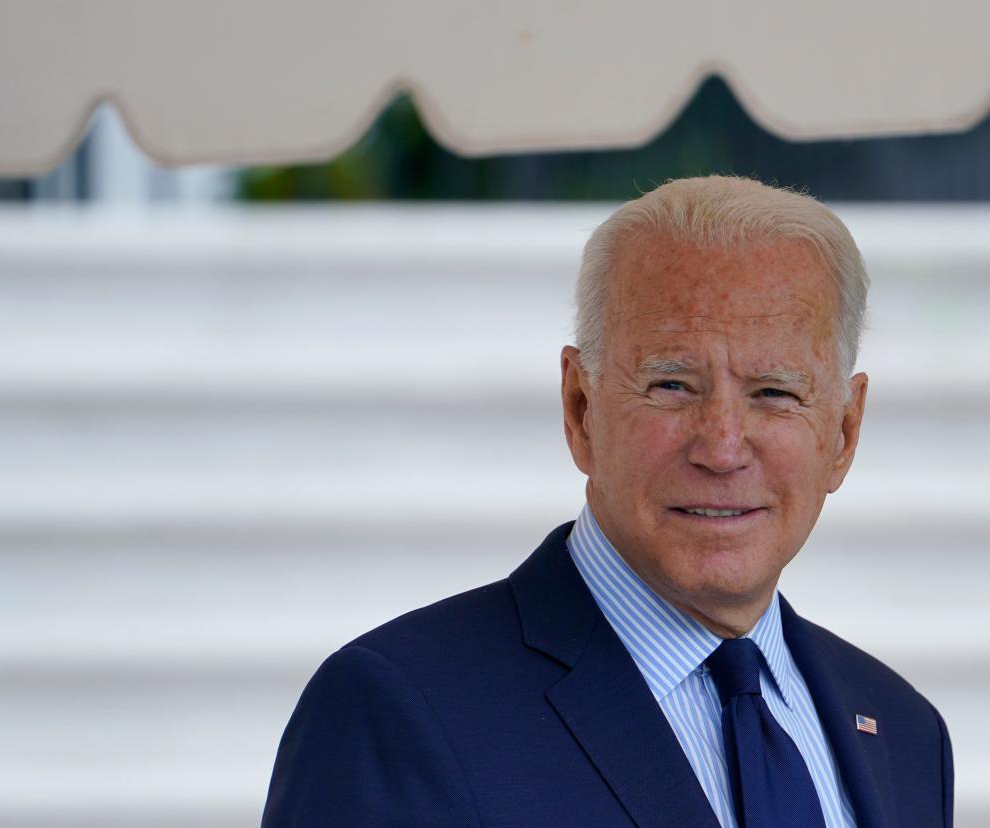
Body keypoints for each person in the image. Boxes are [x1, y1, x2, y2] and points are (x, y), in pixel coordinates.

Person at [261, 176, 953, 827]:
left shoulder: (905, 732)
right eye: (672, 385)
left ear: (843, 431)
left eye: (774, 393)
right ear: (580, 407)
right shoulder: (398, 710)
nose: (722, 447)